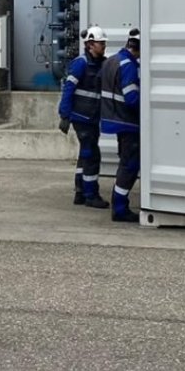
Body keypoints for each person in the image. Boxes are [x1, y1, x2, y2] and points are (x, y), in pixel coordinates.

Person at [57, 25, 109, 208]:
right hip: (82, 117)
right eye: (101, 43)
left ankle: (80, 191)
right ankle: (90, 195)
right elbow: (68, 89)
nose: (104, 46)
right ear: (90, 44)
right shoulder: (81, 63)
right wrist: (64, 115)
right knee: (92, 154)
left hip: (91, 117)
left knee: (85, 154)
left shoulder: (101, 63)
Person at [100, 27, 141, 223]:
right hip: (128, 122)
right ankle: (119, 207)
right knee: (130, 166)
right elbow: (132, 98)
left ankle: (118, 204)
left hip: (115, 120)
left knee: (125, 163)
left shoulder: (112, 60)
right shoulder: (129, 65)